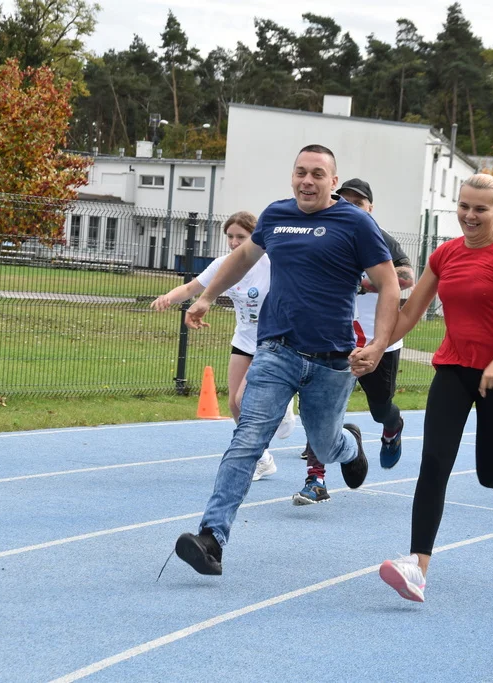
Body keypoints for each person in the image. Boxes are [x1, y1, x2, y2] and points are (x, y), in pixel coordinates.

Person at [173, 144, 400, 576]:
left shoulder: (355, 223)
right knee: (246, 439)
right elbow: (241, 258)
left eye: (318, 174)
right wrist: (206, 296)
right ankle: (212, 538)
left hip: (332, 361)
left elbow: (389, 285)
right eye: (300, 172)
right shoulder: (277, 215)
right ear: (292, 176)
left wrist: (377, 342)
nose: (307, 181)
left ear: (334, 182)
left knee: (326, 443)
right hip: (276, 350)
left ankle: (350, 448)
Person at [371, 173, 493, 603]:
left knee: (489, 470)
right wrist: (375, 348)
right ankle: (418, 568)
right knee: (434, 462)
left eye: (480, 208)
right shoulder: (445, 254)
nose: (470, 215)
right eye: (464, 206)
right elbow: (410, 313)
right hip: (454, 368)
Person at [294, 178, 416, 505]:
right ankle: (315, 479)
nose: (349, 207)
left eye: (358, 203)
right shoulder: (326, 235)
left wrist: (362, 282)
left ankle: (393, 428)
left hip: (380, 342)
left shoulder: (378, 238)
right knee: (318, 409)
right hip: (335, 339)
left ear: (370, 209)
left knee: (381, 410)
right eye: (344, 201)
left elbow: (406, 277)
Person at [151, 212, 296, 481]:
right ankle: (262, 458)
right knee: (234, 403)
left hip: (272, 341)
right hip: (243, 340)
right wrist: (168, 298)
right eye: (230, 237)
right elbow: (192, 287)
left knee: (244, 398)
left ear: (255, 237)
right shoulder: (223, 265)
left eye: (241, 237)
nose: (233, 242)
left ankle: (283, 401)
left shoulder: (272, 264)